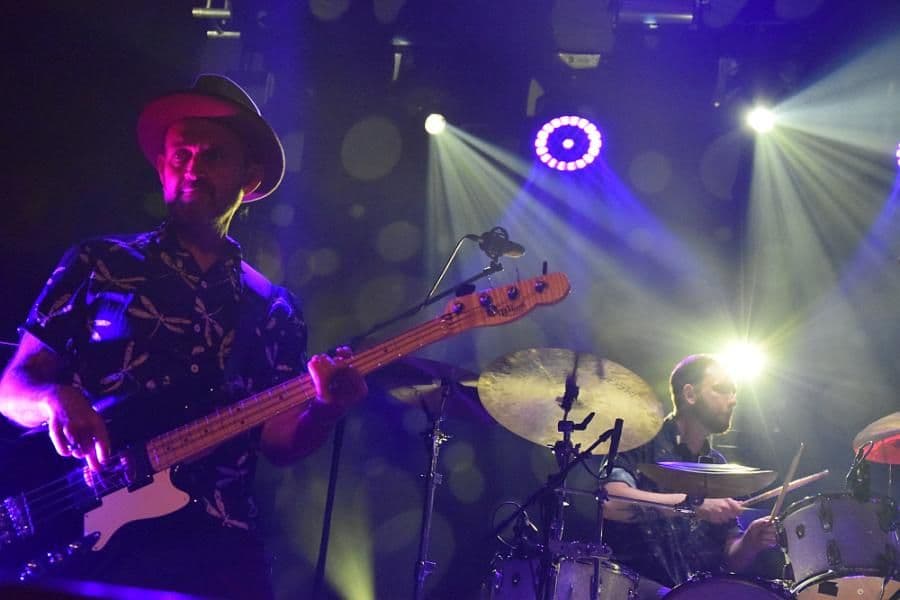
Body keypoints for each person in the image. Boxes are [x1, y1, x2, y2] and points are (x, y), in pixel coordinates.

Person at [0, 74, 367, 598]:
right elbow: (12, 387)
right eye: (181, 155)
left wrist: (326, 410)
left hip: (215, 545)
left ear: (249, 177)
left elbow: (278, 442)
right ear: (162, 167)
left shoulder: (275, 308)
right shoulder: (99, 262)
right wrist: (53, 399)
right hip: (88, 536)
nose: (192, 167)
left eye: (212, 155)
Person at [601, 354, 777, 598]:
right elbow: (611, 502)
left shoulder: (717, 464)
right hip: (634, 588)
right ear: (690, 394)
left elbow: (730, 558)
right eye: (722, 390)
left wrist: (750, 542)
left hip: (695, 592)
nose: (733, 400)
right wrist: (692, 505)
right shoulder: (641, 440)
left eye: (734, 392)